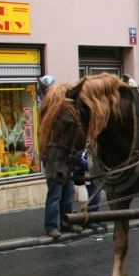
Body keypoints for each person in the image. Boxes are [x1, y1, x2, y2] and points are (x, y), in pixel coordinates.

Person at [39, 75, 81, 239]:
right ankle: (51, 226)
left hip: (63, 158)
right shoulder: (47, 113)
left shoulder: (55, 110)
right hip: (53, 160)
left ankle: (66, 222)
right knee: (55, 194)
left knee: (68, 191)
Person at [73, 150, 105, 231]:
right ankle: (88, 221)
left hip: (94, 177)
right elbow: (80, 160)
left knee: (96, 198)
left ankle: (95, 219)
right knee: (90, 199)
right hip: (87, 178)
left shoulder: (94, 150)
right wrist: (92, 167)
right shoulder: (83, 151)